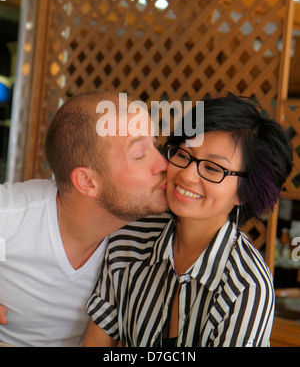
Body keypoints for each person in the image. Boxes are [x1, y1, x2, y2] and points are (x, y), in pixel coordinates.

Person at [83, 94, 293, 347]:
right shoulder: (128, 240)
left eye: (213, 168)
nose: (187, 175)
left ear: (244, 193)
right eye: (183, 155)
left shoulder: (247, 284)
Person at [0, 90, 168, 347]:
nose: (164, 164)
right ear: (87, 181)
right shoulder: (13, 218)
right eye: (139, 155)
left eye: (155, 146)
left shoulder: (151, 238)